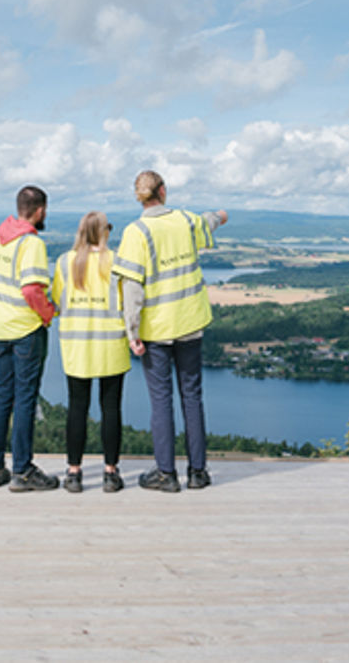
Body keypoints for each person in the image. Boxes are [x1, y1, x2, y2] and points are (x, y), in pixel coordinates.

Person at [113, 170, 227, 492]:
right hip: (190, 323)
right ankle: (198, 472)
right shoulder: (185, 220)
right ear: (163, 191)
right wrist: (221, 215)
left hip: (157, 331)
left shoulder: (136, 232)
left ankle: (166, 473)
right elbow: (208, 222)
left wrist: (131, 332)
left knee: (161, 401)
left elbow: (132, 288)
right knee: (192, 396)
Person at [0, 185, 60, 492]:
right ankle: (22, 471)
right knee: (26, 398)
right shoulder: (31, 243)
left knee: (3, 395)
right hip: (26, 330)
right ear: (40, 211)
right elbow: (31, 289)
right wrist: (47, 313)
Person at [52, 211, 131, 494]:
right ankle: (110, 473)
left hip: (77, 347)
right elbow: (128, 303)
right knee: (111, 409)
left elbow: (57, 302)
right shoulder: (117, 262)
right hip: (111, 346)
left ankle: (74, 473)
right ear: (105, 231)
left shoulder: (65, 262)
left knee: (77, 409)